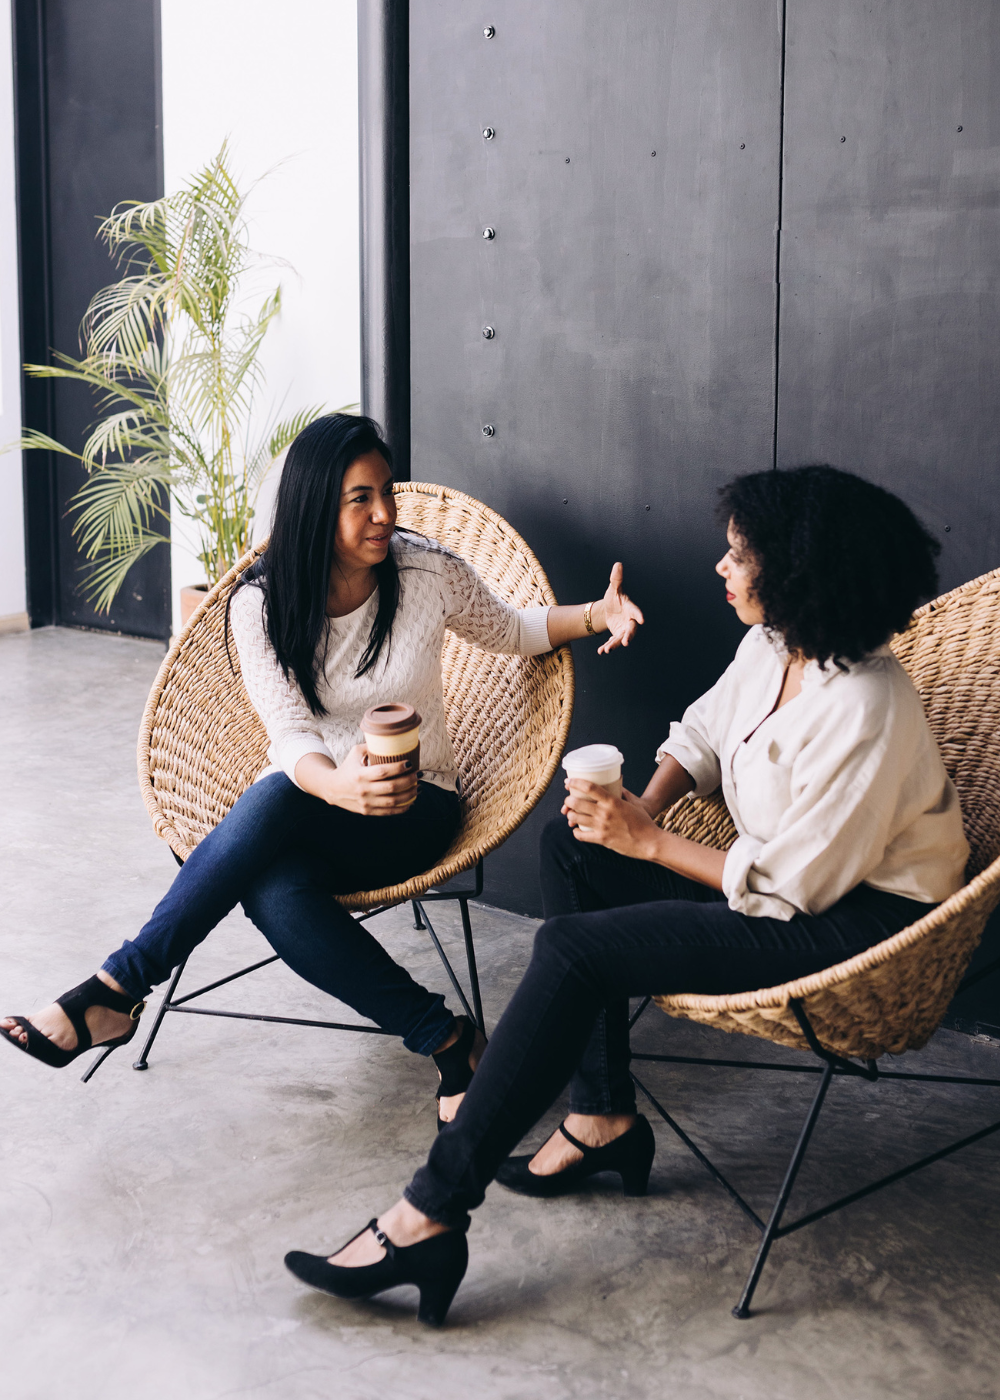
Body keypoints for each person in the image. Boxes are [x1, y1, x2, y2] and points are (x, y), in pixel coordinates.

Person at [281, 464, 970, 1327]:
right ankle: (603, 1118)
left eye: (737, 556)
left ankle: (428, 1213)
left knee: (574, 950)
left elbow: (793, 887)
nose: (720, 569)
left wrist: (645, 842)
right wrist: (636, 813)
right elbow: (703, 735)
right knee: (571, 845)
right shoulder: (771, 647)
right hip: (778, 889)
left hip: (854, 925)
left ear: (797, 570)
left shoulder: (868, 704)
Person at [1, 413, 643, 1130]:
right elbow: (289, 733)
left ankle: (116, 987)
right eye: (359, 499)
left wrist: (596, 614)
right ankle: (449, 1039)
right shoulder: (260, 603)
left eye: (385, 493)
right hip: (319, 802)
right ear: (314, 505)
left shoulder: (424, 570)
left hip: (416, 804)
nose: (383, 515)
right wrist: (337, 785)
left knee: (277, 805)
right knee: (276, 887)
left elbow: (512, 629)